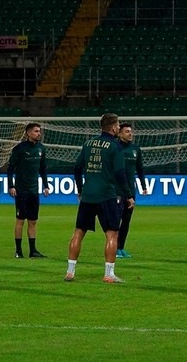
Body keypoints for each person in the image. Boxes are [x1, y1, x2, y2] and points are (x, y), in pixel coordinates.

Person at [65, 113, 133, 283]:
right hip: (107, 195)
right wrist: (129, 195)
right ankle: (109, 274)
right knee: (112, 234)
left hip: (88, 195)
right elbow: (120, 174)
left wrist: (80, 190)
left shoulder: (88, 143)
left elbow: (77, 168)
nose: (119, 127)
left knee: (78, 233)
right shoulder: (115, 146)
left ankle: (70, 272)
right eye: (118, 125)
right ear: (113, 128)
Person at [8, 122, 50, 258]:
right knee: (20, 220)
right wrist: (11, 186)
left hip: (34, 191)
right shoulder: (19, 149)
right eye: (36, 131)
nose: (39, 133)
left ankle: (33, 251)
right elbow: (10, 168)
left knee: (33, 221)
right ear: (28, 133)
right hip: (21, 190)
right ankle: (18, 251)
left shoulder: (41, 148)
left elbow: (43, 169)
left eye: (39, 131)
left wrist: (46, 185)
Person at [116, 122, 146, 259]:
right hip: (117, 190)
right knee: (115, 221)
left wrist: (143, 185)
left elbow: (140, 168)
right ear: (120, 133)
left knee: (126, 221)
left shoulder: (136, 149)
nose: (130, 134)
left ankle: (121, 248)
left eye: (131, 131)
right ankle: (114, 248)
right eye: (127, 131)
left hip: (131, 191)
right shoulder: (115, 148)